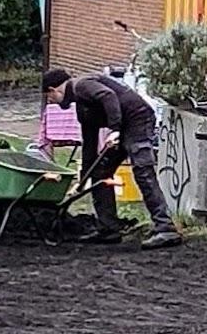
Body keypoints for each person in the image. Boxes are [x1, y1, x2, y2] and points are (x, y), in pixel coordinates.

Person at [43, 68, 182, 249]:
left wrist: (115, 129)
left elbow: (108, 96)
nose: (50, 100)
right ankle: (108, 228)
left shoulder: (81, 85)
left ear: (54, 89)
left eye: (49, 96)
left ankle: (166, 228)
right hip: (124, 125)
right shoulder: (82, 108)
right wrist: (83, 178)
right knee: (100, 171)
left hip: (138, 118)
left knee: (142, 170)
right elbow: (89, 146)